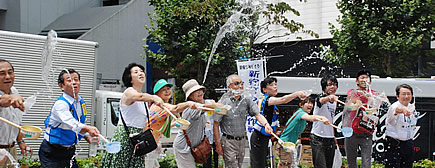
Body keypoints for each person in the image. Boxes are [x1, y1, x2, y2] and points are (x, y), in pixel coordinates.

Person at [100, 63, 164, 168]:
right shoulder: (129, 92)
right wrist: (153, 97)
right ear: (130, 79)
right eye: (136, 72)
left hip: (138, 139)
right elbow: (139, 96)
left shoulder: (144, 100)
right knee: (120, 164)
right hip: (125, 136)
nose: (140, 73)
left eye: (142, 71)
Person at [39, 68, 100, 168]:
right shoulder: (60, 104)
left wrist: (87, 136)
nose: (74, 82)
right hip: (52, 151)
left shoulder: (81, 102)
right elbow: (71, 123)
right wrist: (88, 128)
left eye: (76, 79)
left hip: (69, 151)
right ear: (61, 86)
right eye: (69, 80)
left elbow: (80, 123)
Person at [214, 74, 272, 168]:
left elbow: (257, 114)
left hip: (242, 140)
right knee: (232, 166)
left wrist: (266, 124)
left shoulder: (246, 100)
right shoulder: (223, 102)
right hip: (228, 141)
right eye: (236, 84)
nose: (240, 86)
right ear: (229, 87)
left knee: (239, 165)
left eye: (241, 83)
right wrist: (218, 144)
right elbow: (216, 124)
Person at [250, 77, 306, 168]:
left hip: (265, 137)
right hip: (259, 136)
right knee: (259, 164)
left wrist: (276, 132)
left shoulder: (272, 102)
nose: (275, 87)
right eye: (271, 85)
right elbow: (283, 100)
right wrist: (296, 94)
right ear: (264, 89)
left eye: (276, 84)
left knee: (263, 163)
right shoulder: (267, 99)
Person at [145, 79, 197, 168]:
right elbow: (176, 108)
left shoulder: (161, 106)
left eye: (168, 88)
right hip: (148, 144)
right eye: (163, 90)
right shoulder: (161, 106)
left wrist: (175, 123)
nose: (167, 91)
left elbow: (158, 126)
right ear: (157, 94)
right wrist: (188, 104)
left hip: (152, 143)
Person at [173, 79, 221, 168]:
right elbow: (205, 108)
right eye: (195, 91)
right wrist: (216, 105)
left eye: (200, 90)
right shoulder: (191, 108)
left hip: (192, 146)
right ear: (190, 96)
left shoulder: (199, 106)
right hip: (184, 147)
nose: (199, 92)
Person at [277, 97, 329, 168]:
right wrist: (322, 118)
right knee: (286, 164)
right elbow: (310, 118)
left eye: (311, 103)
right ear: (301, 105)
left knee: (287, 164)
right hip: (285, 144)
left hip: (290, 145)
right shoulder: (300, 113)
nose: (310, 105)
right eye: (308, 103)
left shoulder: (301, 115)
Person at [0, 59, 31, 168]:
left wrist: (20, 141)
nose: (7, 76)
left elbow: (15, 121)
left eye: (10, 72)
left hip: (11, 149)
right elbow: (2, 101)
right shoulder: (12, 97)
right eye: (2, 73)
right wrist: (10, 98)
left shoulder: (15, 91)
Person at [344, 69, 378, 168]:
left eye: (366, 78)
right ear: (357, 81)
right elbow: (352, 97)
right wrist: (357, 101)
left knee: (366, 163)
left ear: (370, 81)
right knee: (351, 162)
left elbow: (379, 106)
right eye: (362, 78)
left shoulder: (375, 94)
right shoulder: (353, 92)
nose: (364, 80)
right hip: (351, 131)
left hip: (366, 132)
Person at [385, 84, 417, 168]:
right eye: (403, 94)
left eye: (408, 94)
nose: (406, 96)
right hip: (395, 144)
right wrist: (402, 110)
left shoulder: (412, 107)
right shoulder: (394, 106)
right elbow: (397, 110)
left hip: (408, 143)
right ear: (397, 96)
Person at [310, 74, 338, 168]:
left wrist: (333, 136)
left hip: (330, 139)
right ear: (324, 87)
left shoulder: (335, 102)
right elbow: (322, 100)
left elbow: (331, 119)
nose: (333, 87)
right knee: (320, 166)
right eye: (330, 84)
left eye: (334, 84)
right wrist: (329, 98)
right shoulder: (319, 99)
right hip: (318, 138)